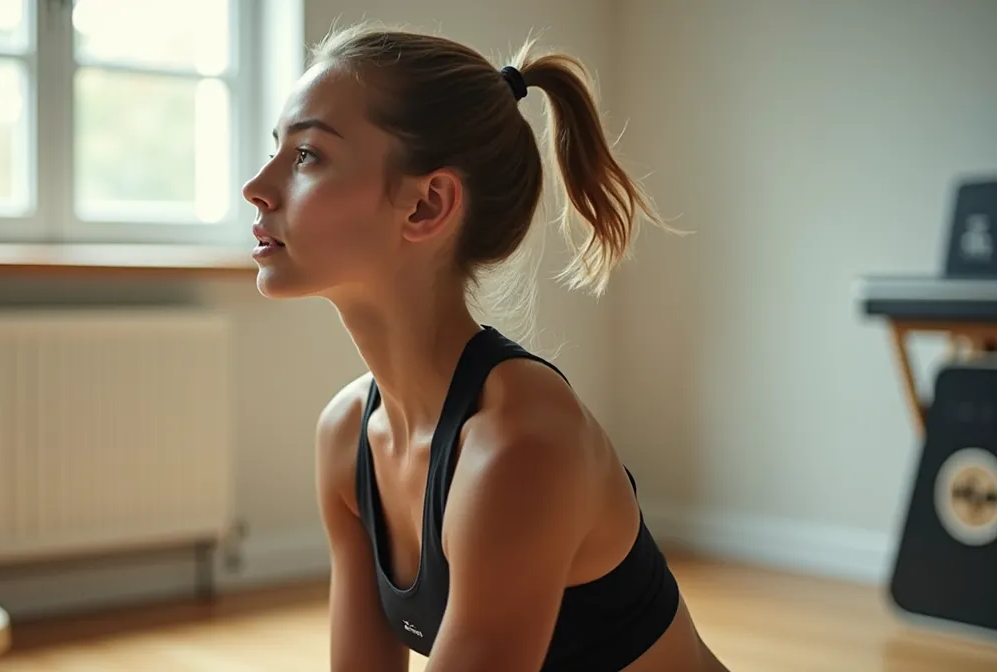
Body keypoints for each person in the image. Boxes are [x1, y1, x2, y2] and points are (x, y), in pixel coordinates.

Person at [242, 21, 729, 672]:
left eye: (306, 156)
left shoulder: (519, 441)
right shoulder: (345, 436)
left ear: (426, 205)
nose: (257, 186)